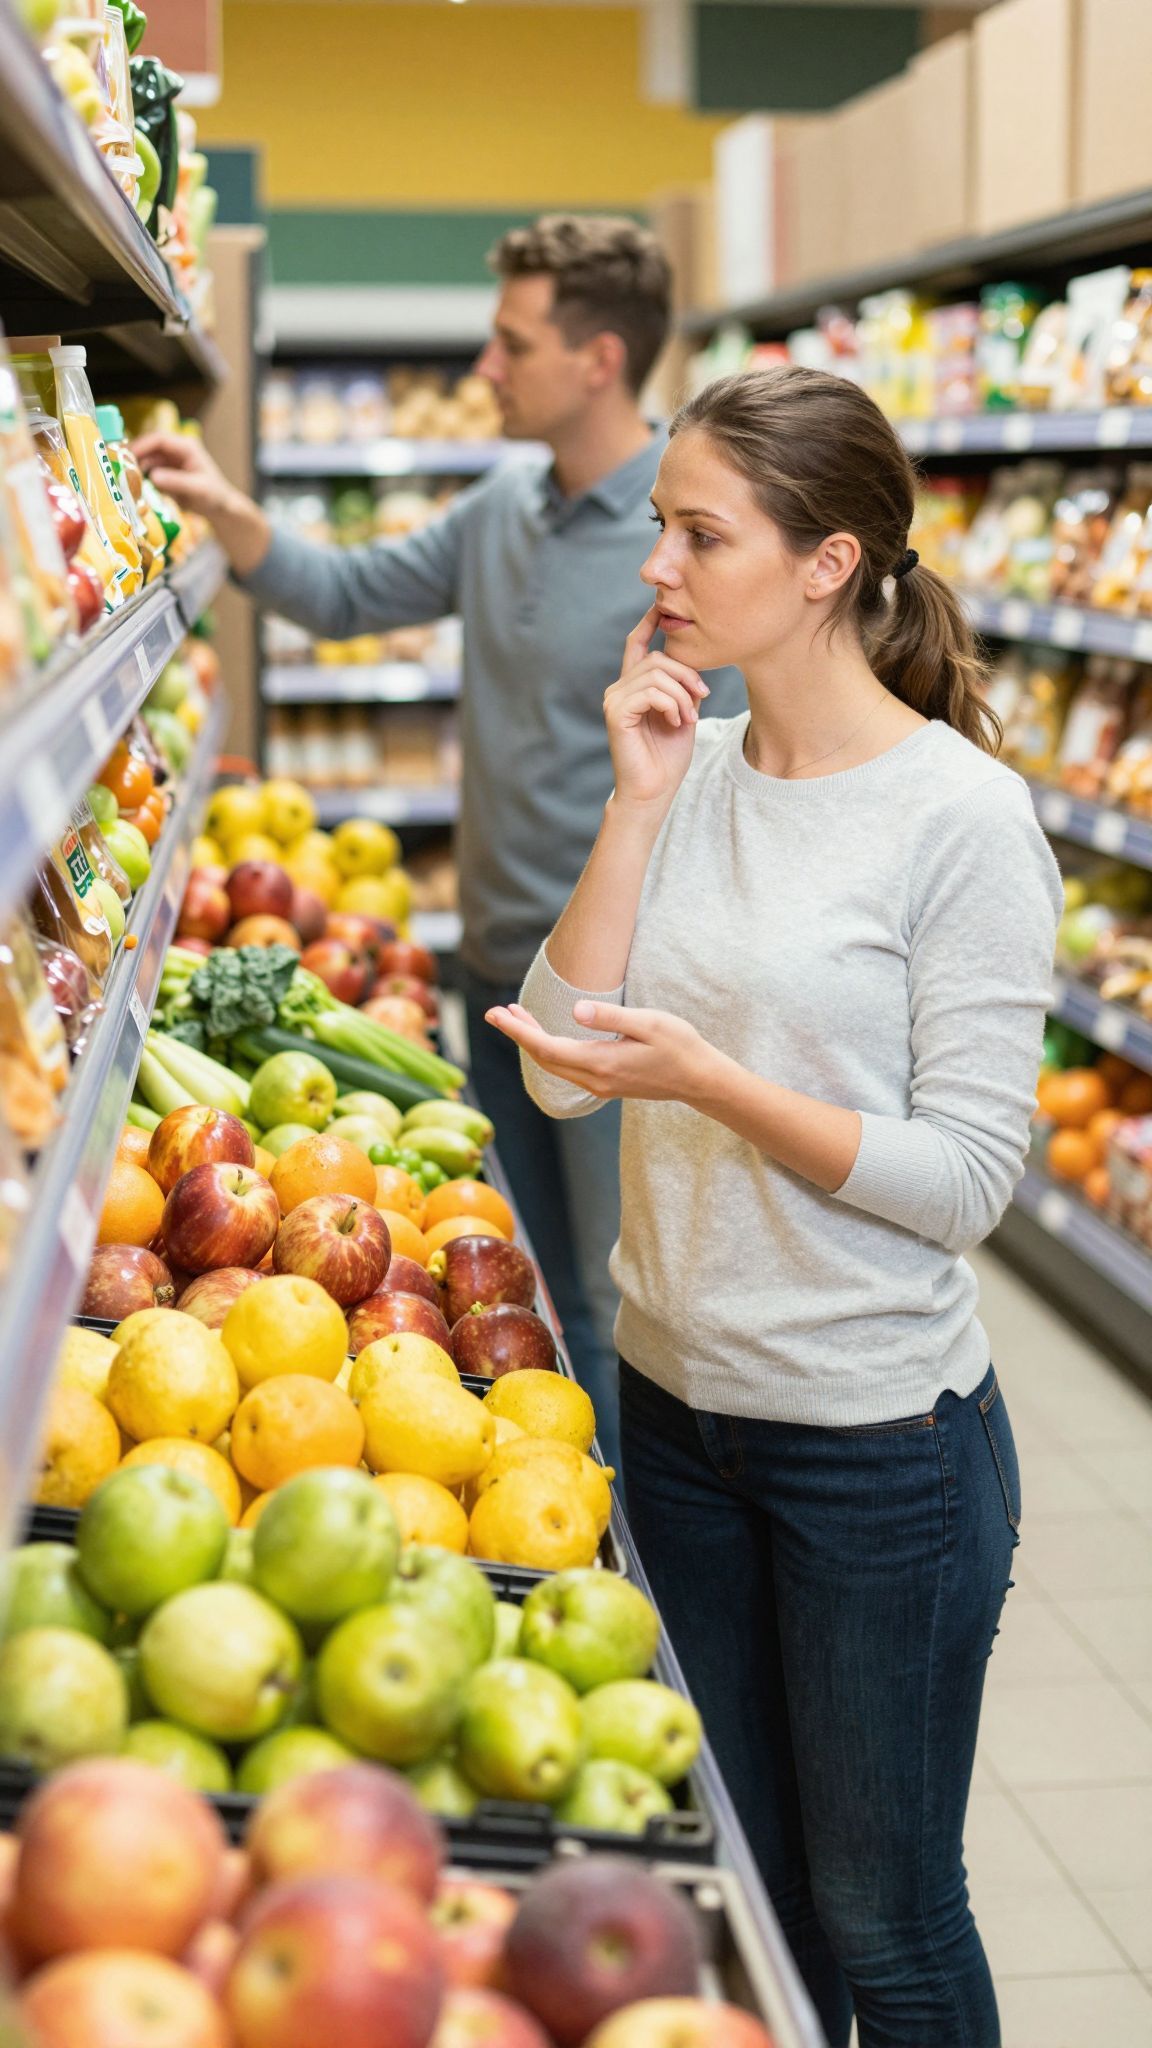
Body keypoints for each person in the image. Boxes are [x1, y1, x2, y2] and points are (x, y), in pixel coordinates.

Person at [487, 365, 1062, 2048]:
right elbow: (557, 1072)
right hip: (673, 1414)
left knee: (883, 1915)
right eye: (659, 523)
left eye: (696, 532)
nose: (655, 566)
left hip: (871, 1448)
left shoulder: (959, 817)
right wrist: (638, 800)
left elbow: (963, 1181)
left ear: (825, 563)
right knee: (746, 1887)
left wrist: (717, 1080)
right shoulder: (696, 760)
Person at [134, 215, 744, 1471]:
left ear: (599, 359)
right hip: (496, 968)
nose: (484, 363)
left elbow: (733, 783)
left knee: (614, 1292)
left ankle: (623, 1527)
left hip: (622, 999)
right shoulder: (500, 506)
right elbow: (349, 594)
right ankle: (558, 1478)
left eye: (511, 341)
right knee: (532, 1285)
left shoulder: (690, 543)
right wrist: (223, 506)